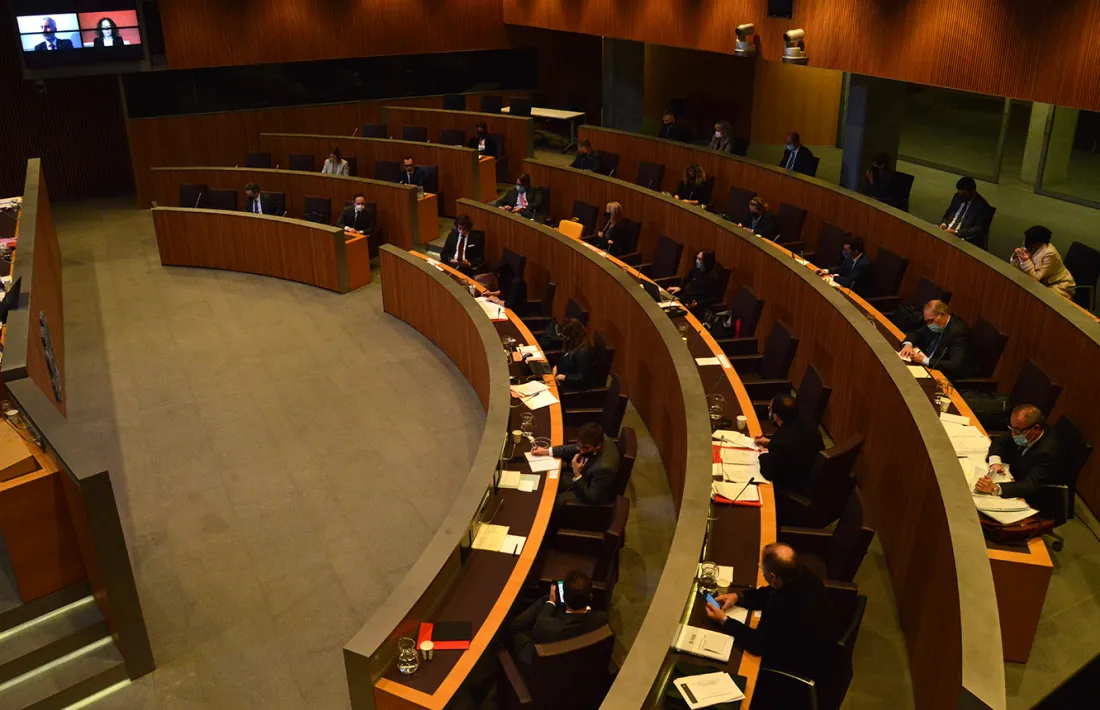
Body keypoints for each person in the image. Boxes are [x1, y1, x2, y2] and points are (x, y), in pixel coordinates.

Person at [704, 543, 837, 684]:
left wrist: (724, 620)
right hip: (822, 646)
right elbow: (771, 591)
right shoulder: (802, 573)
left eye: (762, 570)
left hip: (798, 665)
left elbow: (758, 644)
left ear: (772, 577)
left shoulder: (783, 606)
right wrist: (738, 597)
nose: (760, 569)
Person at [508, 570, 608, 675]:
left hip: (546, 672)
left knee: (514, 630)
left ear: (563, 597)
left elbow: (522, 625)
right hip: (583, 671)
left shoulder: (545, 627)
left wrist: (549, 602)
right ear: (591, 597)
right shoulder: (602, 620)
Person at [975, 405, 1063, 510]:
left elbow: (1030, 484)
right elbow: (1000, 441)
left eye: (1016, 431)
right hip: (1014, 474)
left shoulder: (1047, 452)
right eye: (1011, 429)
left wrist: (995, 488)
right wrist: (995, 462)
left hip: (1036, 499)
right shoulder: (1022, 430)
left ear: (1036, 428)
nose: (1013, 434)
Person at [531, 422, 619, 510]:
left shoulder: (604, 468)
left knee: (554, 503)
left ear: (598, 446)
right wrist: (547, 451)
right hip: (584, 477)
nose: (581, 451)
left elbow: (592, 497)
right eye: (579, 446)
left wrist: (577, 474)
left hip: (590, 492)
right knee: (549, 481)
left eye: (585, 448)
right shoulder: (596, 437)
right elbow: (575, 448)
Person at [754, 394, 824, 496]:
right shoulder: (809, 424)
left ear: (776, 416)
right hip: (813, 476)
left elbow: (768, 472)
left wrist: (761, 454)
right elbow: (795, 445)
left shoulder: (781, 439)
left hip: (796, 487)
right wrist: (770, 443)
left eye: (770, 409)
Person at [898, 300, 977, 379]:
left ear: (942, 315)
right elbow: (915, 333)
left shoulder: (958, 332)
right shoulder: (935, 323)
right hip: (927, 365)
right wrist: (908, 345)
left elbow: (954, 365)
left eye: (930, 321)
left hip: (947, 376)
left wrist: (924, 360)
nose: (929, 325)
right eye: (927, 321)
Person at [1010, 226, 1076, 300]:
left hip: (1060, 285)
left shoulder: (1050, 253)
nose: (1025, 243)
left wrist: (1025, 261)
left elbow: (1036, 278)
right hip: (1043, 284)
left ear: (1038, 242)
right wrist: (1016, 256)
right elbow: (1016, 267)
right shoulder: (1032, 246)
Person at [938, 176, 992, 245]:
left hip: (963, 239)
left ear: (972, 191)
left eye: (963, 194)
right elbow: (948, 213)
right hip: (947, 232)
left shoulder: (982, 206)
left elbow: (978, 229)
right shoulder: (957, 197)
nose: (960, 195)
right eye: (959, 192)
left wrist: (957, 233)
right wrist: (944, 223)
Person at [667, 249, 722, 315]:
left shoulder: (713, 278)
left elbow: (714, 299)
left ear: (707, 261)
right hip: (685, 300)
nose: (697, 261)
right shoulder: (696, 270)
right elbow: (687, 279)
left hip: (697, 308)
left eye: (700, 259)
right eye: (697, 258)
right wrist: (680, 287)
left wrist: (698, 304)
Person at [551, 319, 596, 391]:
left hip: (571, 388)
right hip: (560, 380)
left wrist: (564, 377)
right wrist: (556, 367)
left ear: (574, 336)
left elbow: (581, 378)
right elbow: (565, 358)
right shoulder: (573, 343)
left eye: (565, 338)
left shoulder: (583, 352)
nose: (563, 340)